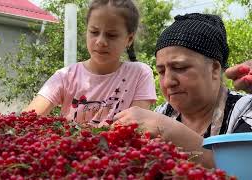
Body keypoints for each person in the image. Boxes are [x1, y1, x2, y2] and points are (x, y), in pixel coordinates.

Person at [113, 13, 252, 168]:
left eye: (180, 68)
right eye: (161, 72)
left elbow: (239, 170)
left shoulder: (245, 112)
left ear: (214, 69)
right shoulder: (163, 113)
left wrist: (168, 131)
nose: (168, 82)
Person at [24, 0, 157, 126]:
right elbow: (26, 120)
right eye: (94, 32)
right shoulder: (65, 76)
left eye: (111, 35)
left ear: (129, 39)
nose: (100, 41)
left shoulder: (140, 73)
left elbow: (137, 126)